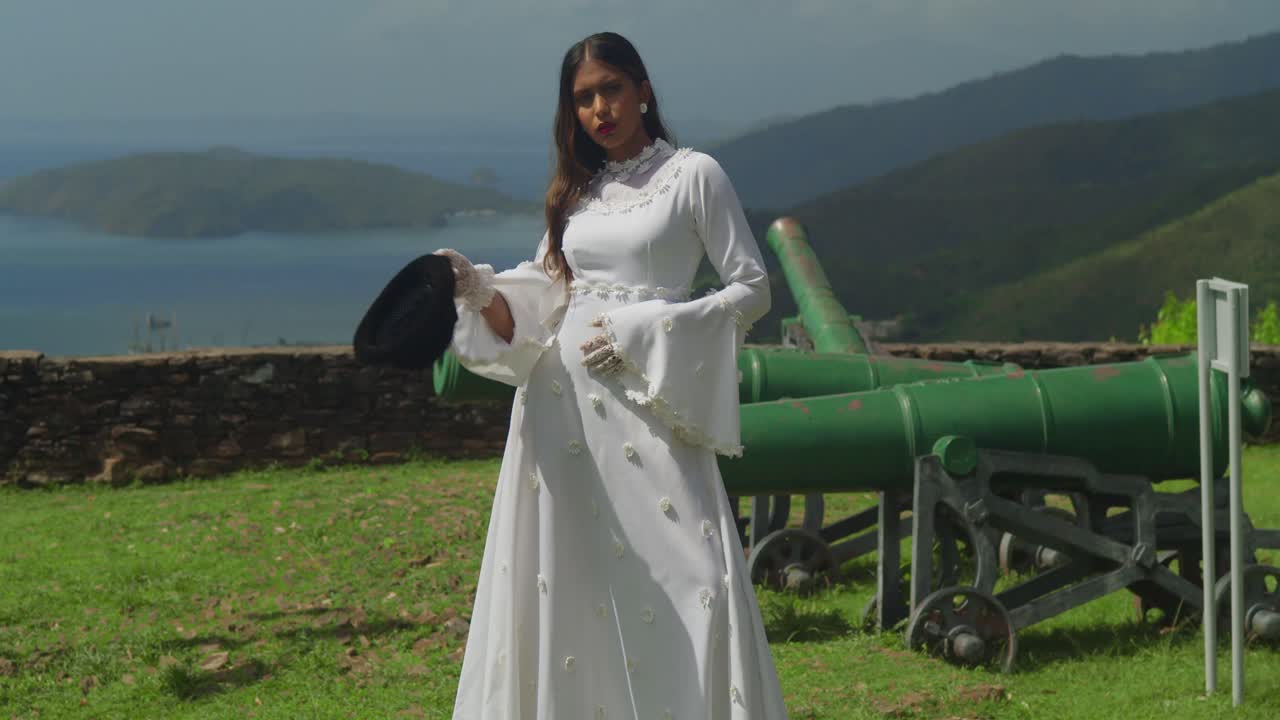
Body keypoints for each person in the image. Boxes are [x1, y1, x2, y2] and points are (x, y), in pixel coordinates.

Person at [439, 30, 789, 719]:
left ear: (643, 91)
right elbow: (542, 299)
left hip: (652, 403)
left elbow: (752, 290)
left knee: (695, 576)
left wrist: (647, 327)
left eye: (611, 89)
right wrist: (476, 289)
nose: (600, 108)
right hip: (558, 411)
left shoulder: (693, 175)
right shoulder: (577, 192)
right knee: (570, 582)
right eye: (583, 98)